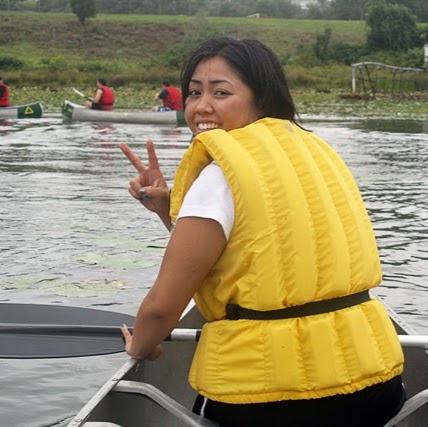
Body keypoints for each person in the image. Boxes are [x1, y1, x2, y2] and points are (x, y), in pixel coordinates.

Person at [119, 36, 406, 427]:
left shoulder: (219, 176)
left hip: (270, 400)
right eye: (193, 93)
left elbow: (160, 307)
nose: (202, 107)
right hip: (375, 385)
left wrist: (142, 345)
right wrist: (169, 209)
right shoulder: (316, 154)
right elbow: (260, 250)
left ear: (262, 99)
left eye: (221, 92)